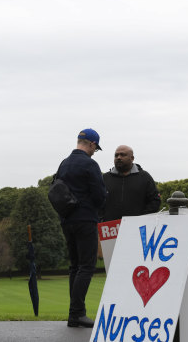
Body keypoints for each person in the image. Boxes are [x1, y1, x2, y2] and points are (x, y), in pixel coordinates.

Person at [55, 128, 106, 328]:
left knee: (74, 266)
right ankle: (76, 313)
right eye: (95, 148)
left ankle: (74, 313)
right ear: (92, 144)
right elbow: (100, 195)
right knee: (86, 266)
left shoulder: (64, 163)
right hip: (85, 219)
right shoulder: (90, 164)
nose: (95, 151)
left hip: (67, 219)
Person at [102, 145, 161, 221]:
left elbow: (155, 201)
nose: (119, 157)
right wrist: (102, 219)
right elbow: (96, 202)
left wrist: (142, 218)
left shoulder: (144, 177)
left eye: (123, 155)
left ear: (132, 158)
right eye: (116, 155)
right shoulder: (105, 178)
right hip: (109, 229)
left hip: (137, 228)